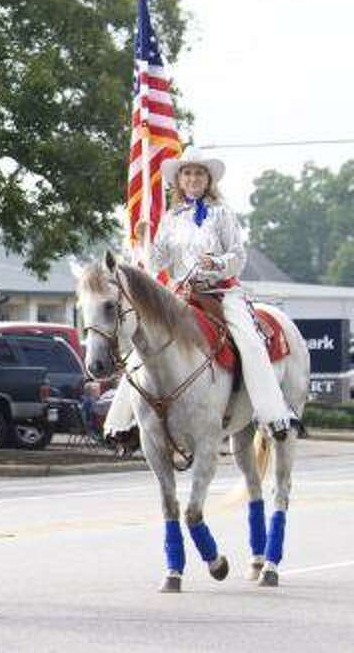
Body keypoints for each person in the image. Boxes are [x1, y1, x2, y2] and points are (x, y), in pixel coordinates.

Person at [107, 148, 300, 444]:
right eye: (187, 173)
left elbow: (238, 256)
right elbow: (157, 263)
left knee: (249, 341)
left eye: (199, 173)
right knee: (143, 342)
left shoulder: (222, 213)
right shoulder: (171, 218)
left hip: (221, 293)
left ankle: (273, 413)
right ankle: (122, 423)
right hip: (180, 297)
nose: (193, 178)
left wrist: (218, 263)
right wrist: (143, 239)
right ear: (180, 181)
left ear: (208, 180)